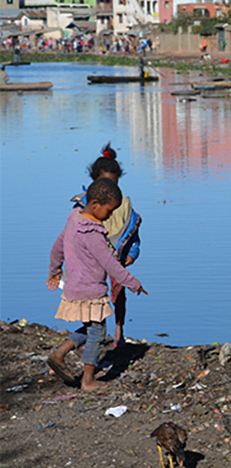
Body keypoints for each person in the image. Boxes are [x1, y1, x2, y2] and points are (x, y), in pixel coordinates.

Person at [47, 178, 147, 390]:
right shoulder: (93, 234)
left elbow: (57, 246)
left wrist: (55, 271)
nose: (110, 216)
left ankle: (59, 354)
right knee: (98, 334)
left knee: (90, 327)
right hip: (90, 289)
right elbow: (110, 263)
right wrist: (133, 282)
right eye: (109, 211)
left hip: (74, 285)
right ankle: (88, 380)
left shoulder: (73, 219)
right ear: (95, 205)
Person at [73, 145, 142, 346]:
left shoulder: (123, 206)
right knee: (91, 298)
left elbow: (132, 233)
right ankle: (92, 331)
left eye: (113, 184)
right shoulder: (82, 205)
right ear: (94, 181)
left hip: (114, 259)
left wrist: (133, 253)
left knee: (118, 294)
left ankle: (119, 328)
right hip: (88, 262)